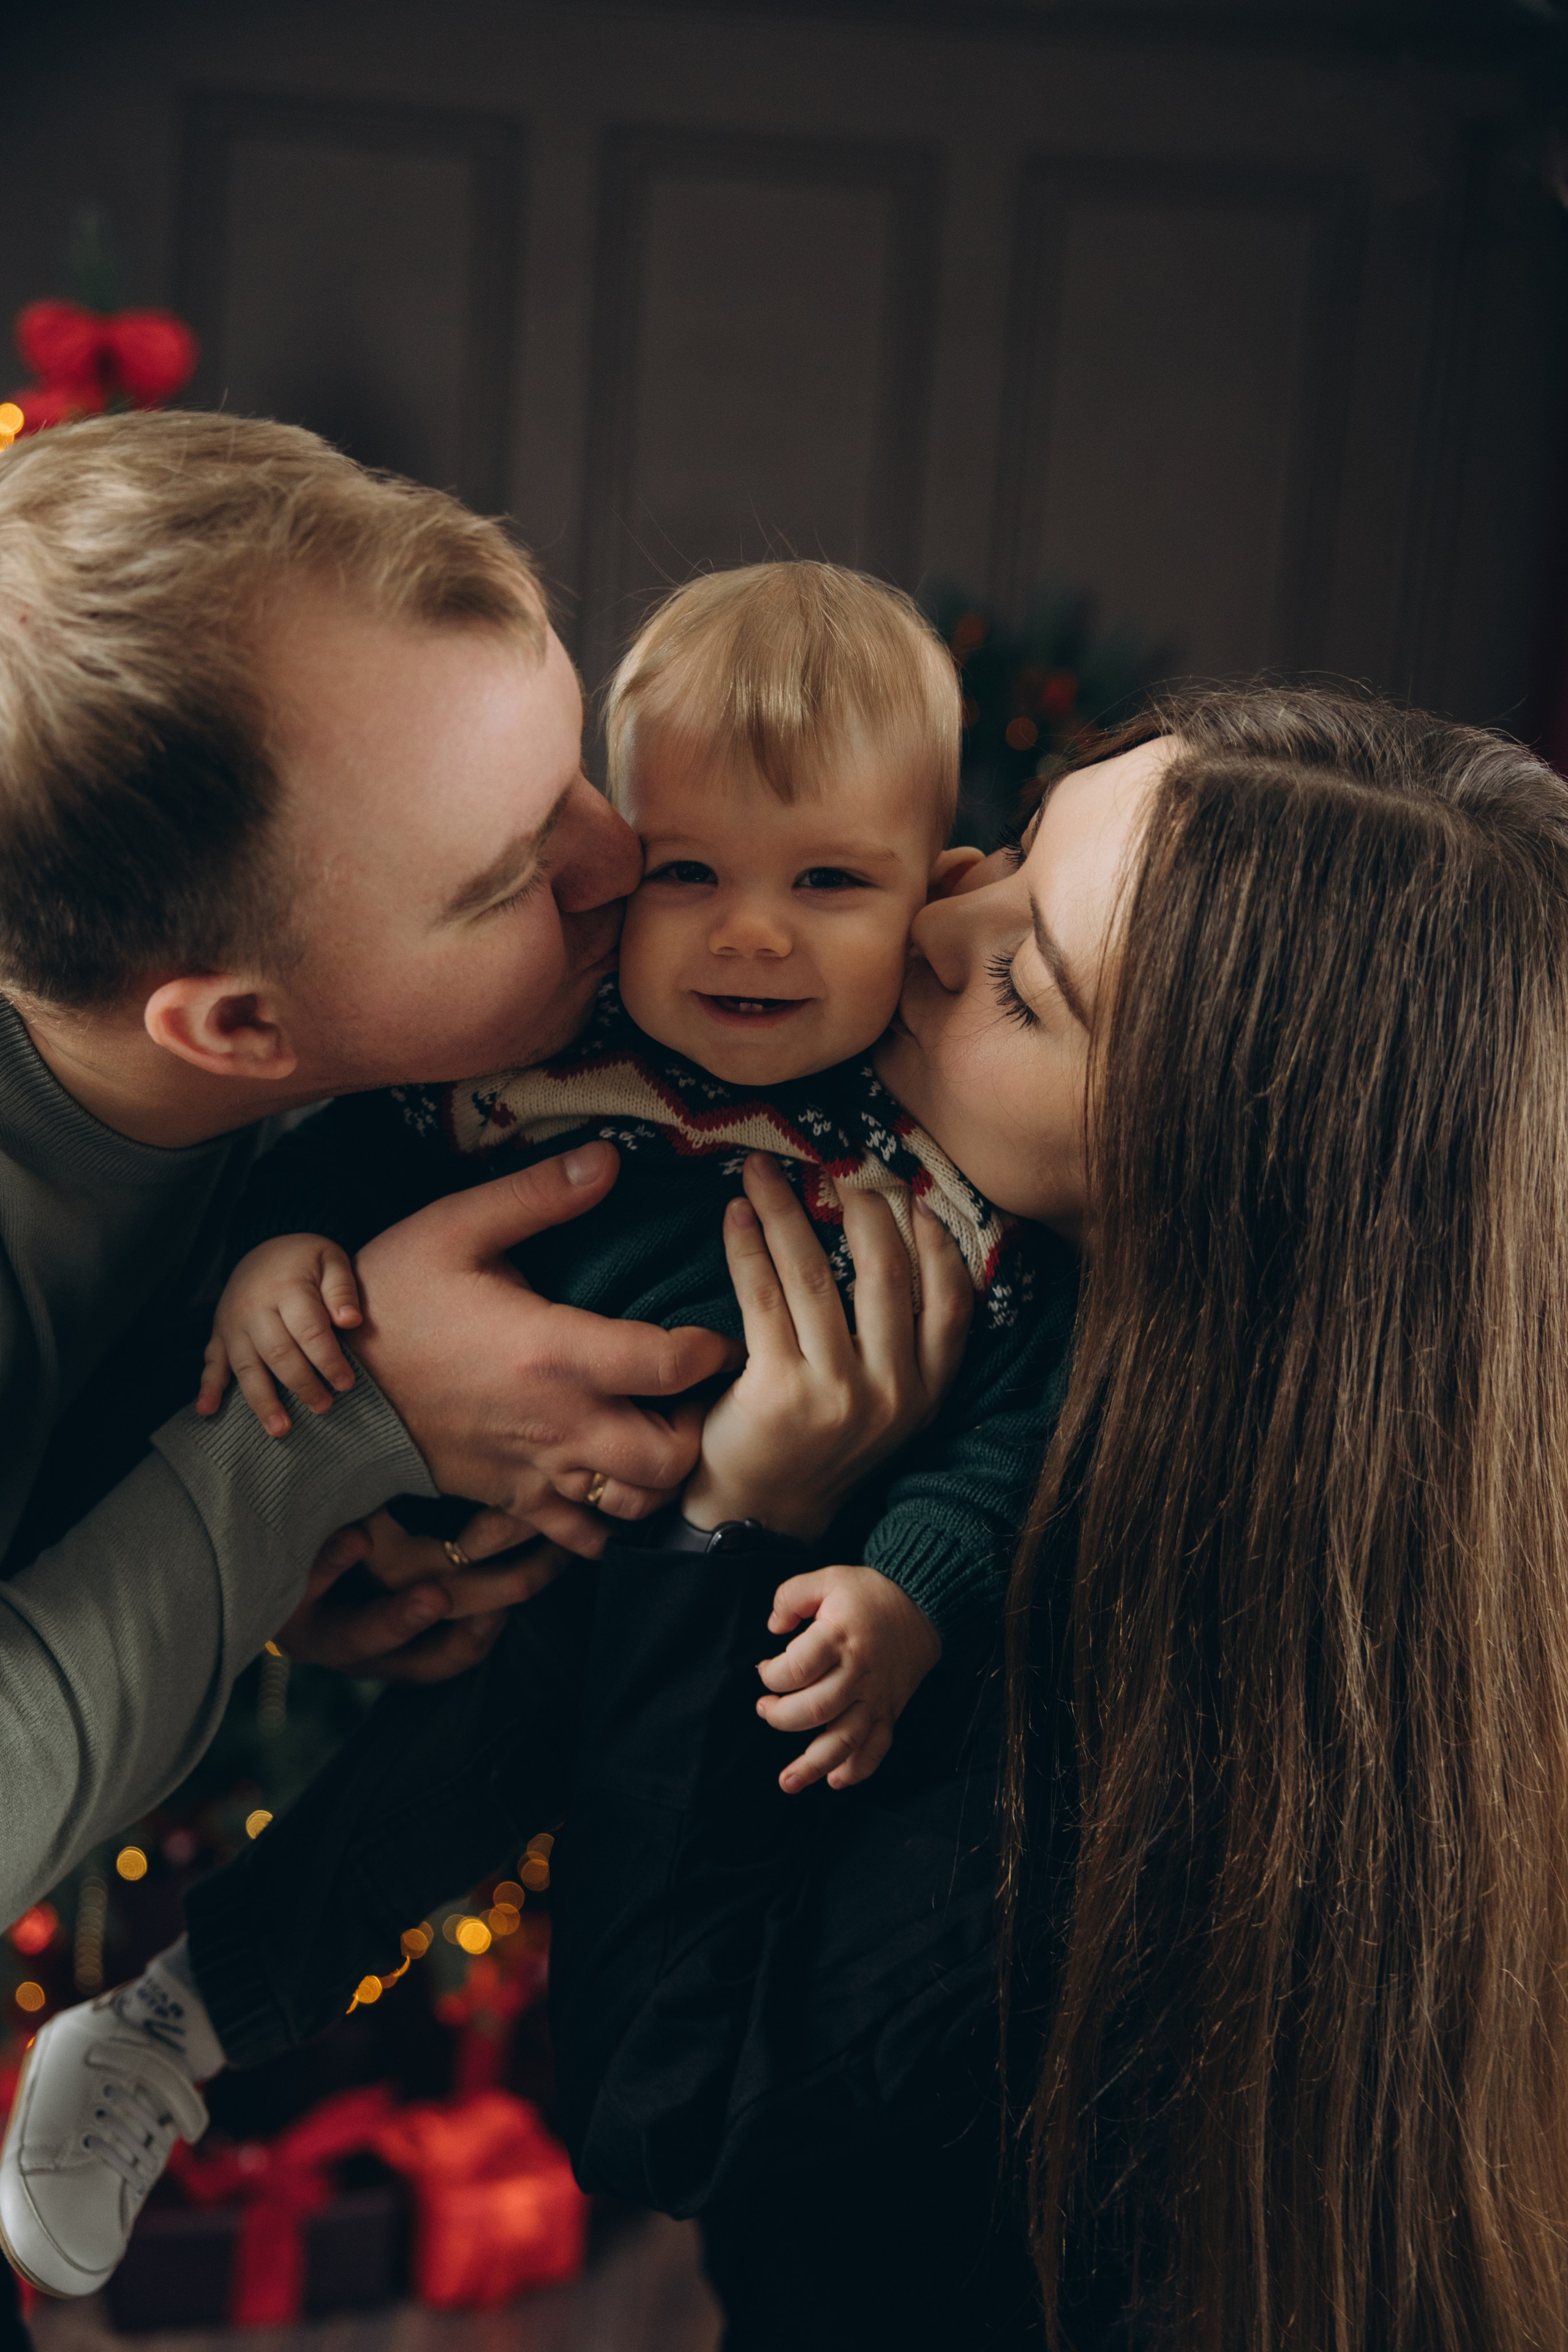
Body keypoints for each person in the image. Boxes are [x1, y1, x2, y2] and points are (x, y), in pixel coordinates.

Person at [1, 561, 1075, 2311]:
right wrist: (287, 1263)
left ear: (937, 886)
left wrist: (913, 1591)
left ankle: (183, 2031)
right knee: (394, 1762)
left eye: (830, 883)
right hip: (467, 1537)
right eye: (688, 873)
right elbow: (339, 1165)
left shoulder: (939, 1149)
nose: (751, 935)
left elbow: (1012, 1410)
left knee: (553, 1855)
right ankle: (161, 2035)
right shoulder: (530, 1058)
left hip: (744, 1613)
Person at [549, 687, 1568, 2349]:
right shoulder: (977, 1275)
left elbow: (666, 2105)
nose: (937, 918)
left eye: (1031, 983)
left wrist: (737, 1527)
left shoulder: (1123, 1728)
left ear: (1221, 1196)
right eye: (1017, 848)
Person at [0, 411, 737, 2313]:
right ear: (231, 1024)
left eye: (576, 773)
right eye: (505, 877)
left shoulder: (330, 1091)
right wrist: (338, 1430)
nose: (618, 856)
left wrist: (278, 1592)